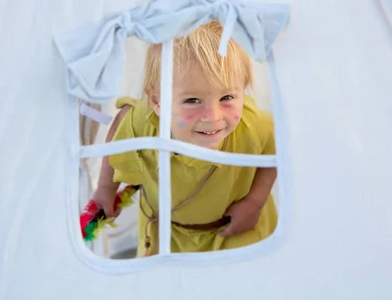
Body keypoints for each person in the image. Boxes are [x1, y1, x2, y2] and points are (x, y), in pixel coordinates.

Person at [93, 20, 277, 256]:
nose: (213, 116)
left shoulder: (254, 126)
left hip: (235, 231)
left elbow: (273, 153)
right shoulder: (144, 121)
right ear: (157, 102)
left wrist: (255, 203)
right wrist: (106, 187)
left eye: (227, 97)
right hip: (168, 233)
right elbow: (119, 128)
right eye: (192, 101)